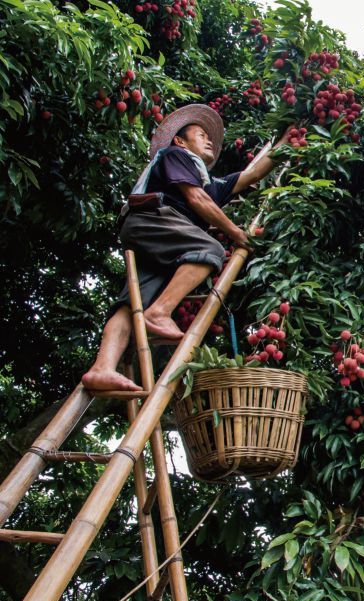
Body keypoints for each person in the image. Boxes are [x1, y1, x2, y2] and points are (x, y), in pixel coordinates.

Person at [81, 104, 287, 392]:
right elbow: (196, 199)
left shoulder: (210, 182)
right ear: (180, 140)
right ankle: (160, 313)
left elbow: (252, 175)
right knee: (211, 249)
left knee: (133, 302)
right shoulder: (177, 156)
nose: (209, 140)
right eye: (200, 134)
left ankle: (101, 368)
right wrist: (235, 233)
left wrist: (288, 139)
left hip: (156, 239)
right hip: (151, 220)